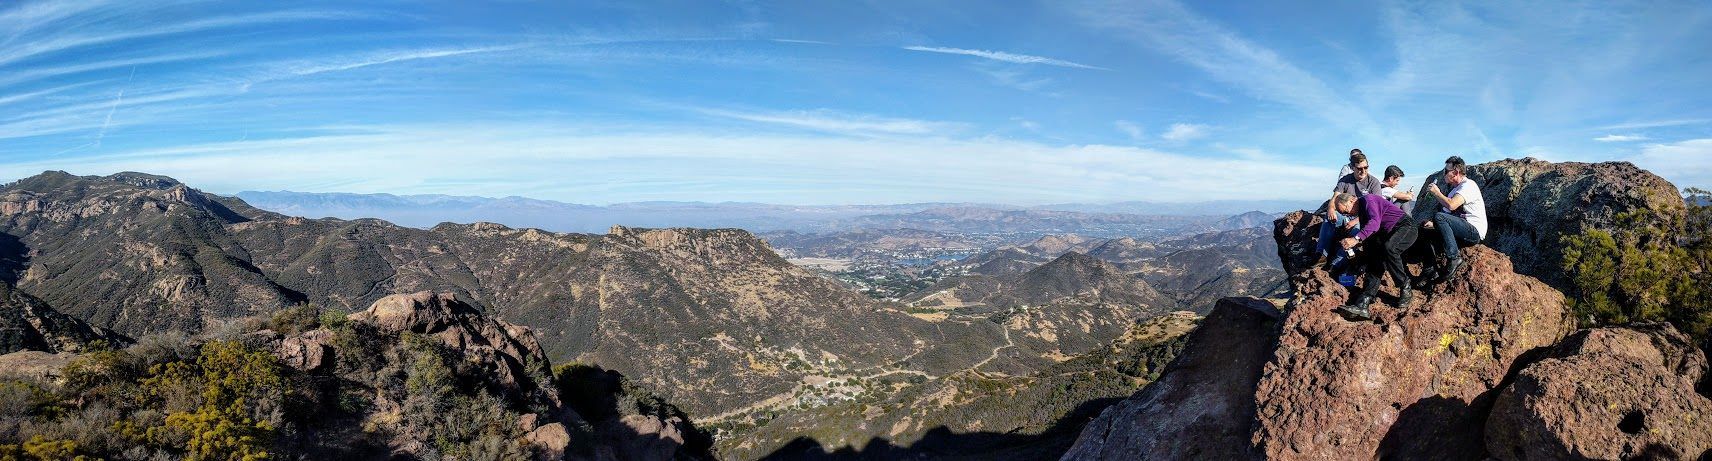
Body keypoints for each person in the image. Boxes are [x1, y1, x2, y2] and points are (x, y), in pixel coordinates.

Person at [1331, 191, 1418, 321]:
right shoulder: (1362, 213)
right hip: (1386, 234)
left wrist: (1355, 239)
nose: (1348, 215)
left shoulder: (1368, 200)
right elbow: (1370, 237)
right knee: (1374, 263)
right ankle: (1363, 304)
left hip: (1405, 226)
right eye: (1344, 214)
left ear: (1352, 200)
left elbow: (1375, 223)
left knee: (1390, 248)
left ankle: (1405, 287)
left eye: (1347, 211)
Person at [1419, 156, 1486, 285]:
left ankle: (1454, 258)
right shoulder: (1453, 191)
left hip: (1473, 231)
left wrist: (1437, 193)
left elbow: (1451, 205)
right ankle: (1429, 270)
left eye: (1446, 171)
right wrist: (1432, 224)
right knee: (1425, 232)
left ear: (1456, 172)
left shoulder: (1468, 185)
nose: (1444, 174)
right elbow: (1446, 217)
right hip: (1459, 230)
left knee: (1439, 216)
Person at [1317, 151, 1382, 270]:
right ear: (1352, 168)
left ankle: (1335, 264)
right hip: (1345, 215)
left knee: (1355, 235)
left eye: (1366, 167)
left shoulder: (1374, 183)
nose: (1363, 171)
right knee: (1329, 218)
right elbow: (1335, 197)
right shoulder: (1345, 180)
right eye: (1359, 168)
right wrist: (1331, 208)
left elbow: (1376, 210)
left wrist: (1355, 221)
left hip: (1362, 218)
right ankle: (1321, 254)